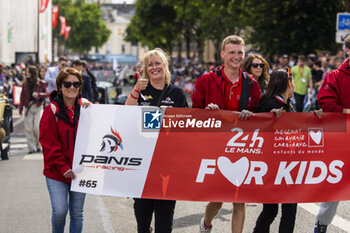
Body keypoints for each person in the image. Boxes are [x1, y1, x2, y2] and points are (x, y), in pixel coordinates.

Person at [191, 35, 261, 233]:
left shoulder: (251, 84)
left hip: (242, 148)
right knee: (218, 200)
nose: (236, 57)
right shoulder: (206, 80)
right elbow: (193, 113)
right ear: (222, 54)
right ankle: (206, 224)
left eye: (240, 52)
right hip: (215, 148)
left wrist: (253, 114)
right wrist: (206, 111)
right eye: (232, 52)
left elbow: (260, 116)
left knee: (240, 200)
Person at [125, 48, 188, 233]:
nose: (154, 67)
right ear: (145, 69)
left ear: (165, 66)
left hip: (167, 165)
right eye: (150, 64)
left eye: (158, 63)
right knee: (143, 223)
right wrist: (137, 88)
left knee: (164, 223)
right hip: (142, 165)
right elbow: (125, 114)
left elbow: (185, 125)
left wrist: (169, 117)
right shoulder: (141, 90)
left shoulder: (176, 93)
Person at [39, 67, 90, 233]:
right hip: (56, 172)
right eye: (67, 83)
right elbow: (48, 144)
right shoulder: (50, 110)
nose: (72, 87)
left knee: (77, 214)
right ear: (60, 86)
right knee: (60, 212)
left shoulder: (86, 110)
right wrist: (63, 167)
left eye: (76, 84)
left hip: (80, 172)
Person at [252, 68, 297, 233]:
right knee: (271, 210)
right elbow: (256, 132)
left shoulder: (289, 105)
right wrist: (269, 119)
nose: (295, 86)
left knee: (290, 209)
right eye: (293, 82)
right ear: (288, 84)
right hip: (271, 167)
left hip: (288, 167)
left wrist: (315, 117)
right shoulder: (268, 104)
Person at [314, 35, 350, 233]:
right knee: (335, 185)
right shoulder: (335, 75)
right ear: (348, 50)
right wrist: (347, 112)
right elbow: (326, 102)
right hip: (342, 139)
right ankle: (322, 223)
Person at [19, 65, 49, 153]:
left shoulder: (41, 82)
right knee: (29, 129)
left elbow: (47, 94)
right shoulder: (25, 83)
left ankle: (38, 145)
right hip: (28, 107)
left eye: (28, 72)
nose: (26, 73)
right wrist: (20, 108)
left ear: (32, 73)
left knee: (37, 127)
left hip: (38, 107)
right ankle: (32, 148)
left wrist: (38, 95)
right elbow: (22, 96)